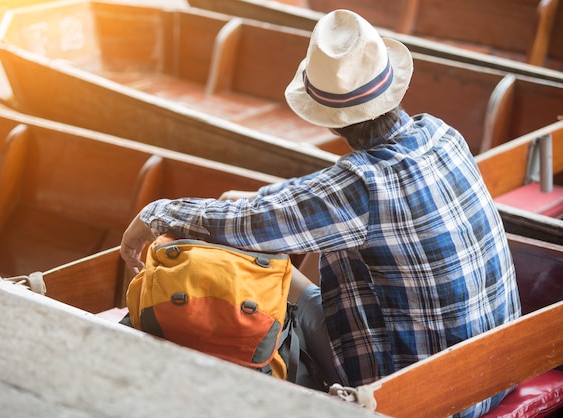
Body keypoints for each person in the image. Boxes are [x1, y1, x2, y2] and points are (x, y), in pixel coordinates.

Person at [121, 9, 520, 417]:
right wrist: (251, 200)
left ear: (330, 122)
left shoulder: (359, 186)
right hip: (499, 370)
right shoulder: (441, 134)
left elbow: (250, 225)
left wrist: (158, 212)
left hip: (427, 398)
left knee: (260, 261)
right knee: (262, 230)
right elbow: (313, 199)